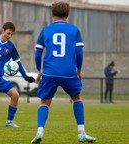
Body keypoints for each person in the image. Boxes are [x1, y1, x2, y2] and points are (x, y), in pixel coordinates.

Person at [30, 2, 96, 143]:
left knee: (45, 102)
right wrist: (79, 69)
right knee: (77, 98)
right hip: (68, 72)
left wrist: (38, 71)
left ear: (52, 14)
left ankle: (40, 131)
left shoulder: (46, 30)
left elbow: (38, 53)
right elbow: (79, 52)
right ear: (67, 14)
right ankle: (81, 133)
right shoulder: (74, 30)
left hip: (49, 73)